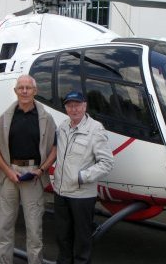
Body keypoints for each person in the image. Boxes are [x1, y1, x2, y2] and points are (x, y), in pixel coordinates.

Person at [0, 74, 57, 264]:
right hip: (9, 174)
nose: (25, 91)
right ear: (15, 91)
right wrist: (8, 171)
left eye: (29, 88)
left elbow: (55, 148)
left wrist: (42, 169)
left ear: (35, 91)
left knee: (34, 229)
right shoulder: (5, 118)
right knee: (4, 226)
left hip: (34, 176)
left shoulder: (46, 118)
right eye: (21, 88)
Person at [53, 91, 114, 264]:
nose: (74, 109)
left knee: (82, 240)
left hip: (82, 196)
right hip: (60, 192)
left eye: (77, 105)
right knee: (62, 237)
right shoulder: (63, 126)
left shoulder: (95, 129)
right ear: (65, 108)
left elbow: (107, 162)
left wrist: (81, 177)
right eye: (70, 106)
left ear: (85, 106)